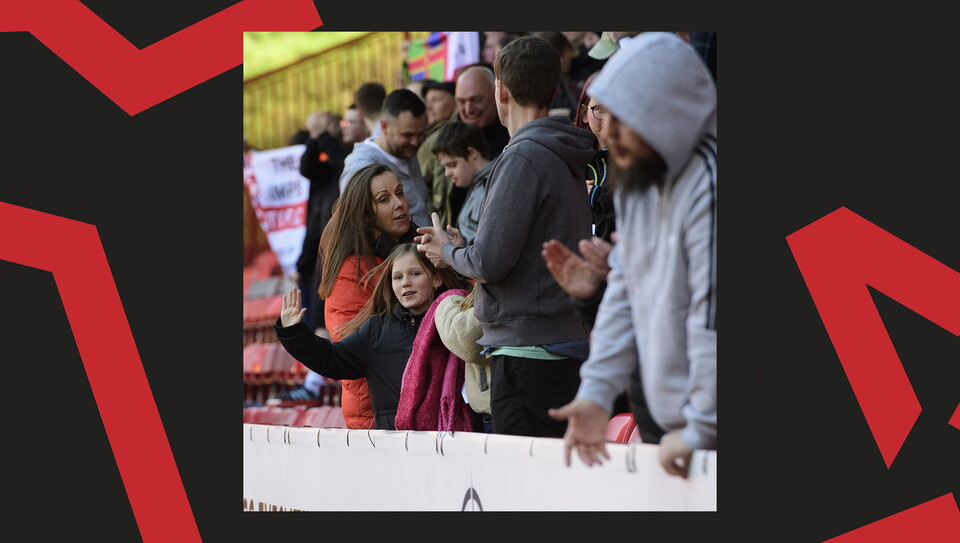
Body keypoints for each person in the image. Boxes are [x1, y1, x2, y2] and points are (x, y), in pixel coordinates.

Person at [547, 32, 717, 478]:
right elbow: (625, 289)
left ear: (664, 114)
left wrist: (702, 428)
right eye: (605, 115)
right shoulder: (642, 177)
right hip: (677, 428)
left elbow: (713, 316)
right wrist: (595, 394)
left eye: (625, 119)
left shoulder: (710, 184)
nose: (609, 132)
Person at [416, 35, 597, 438]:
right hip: (561, 345)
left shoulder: (522, 155)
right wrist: (464, 249)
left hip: (527, 357)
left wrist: (448, 253)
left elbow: (490, 262)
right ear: (553, 88)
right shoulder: (560, 151)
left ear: (501, 89)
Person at [275, 243, 472, 430]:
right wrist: (293, 332)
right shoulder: (376, 329)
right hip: (395, 449)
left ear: (436, 279)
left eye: (415, 274)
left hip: (453, 443)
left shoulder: (456, 320)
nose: (406, 283)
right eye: (398, 277)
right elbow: (332, 359)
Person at [316, 163, 422, 429]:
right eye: (384, 200)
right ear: (365, 215)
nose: (399, 204)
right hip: (375, 410)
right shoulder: (351, 269)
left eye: (400, 193)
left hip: (409, 399)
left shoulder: (411, 252)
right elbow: (352, 345)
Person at [338, 89, 430, 228]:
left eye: (421, 134)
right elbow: (354, 226)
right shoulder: (361, 166)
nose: (415, 142)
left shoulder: (406, 152)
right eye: (407, 135)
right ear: (384, 127)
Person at [431, 121, 492, 245]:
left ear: (472, 153)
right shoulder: (480, 186)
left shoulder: (488, 189)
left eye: (452, 165)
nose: (447, 173)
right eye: (444, 167)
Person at [575, 71, 616, 242]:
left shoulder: (639, 160)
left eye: (614, 109)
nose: (608, 119)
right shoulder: (573, 159)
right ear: (584, 114)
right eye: (599, 109)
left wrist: (597, 195)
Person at [416, 80, 458, 226]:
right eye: (427, 101)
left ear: (455, 103)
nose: (428, 106)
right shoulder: (429, 135)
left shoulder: (438, 138)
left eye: (436, 100)